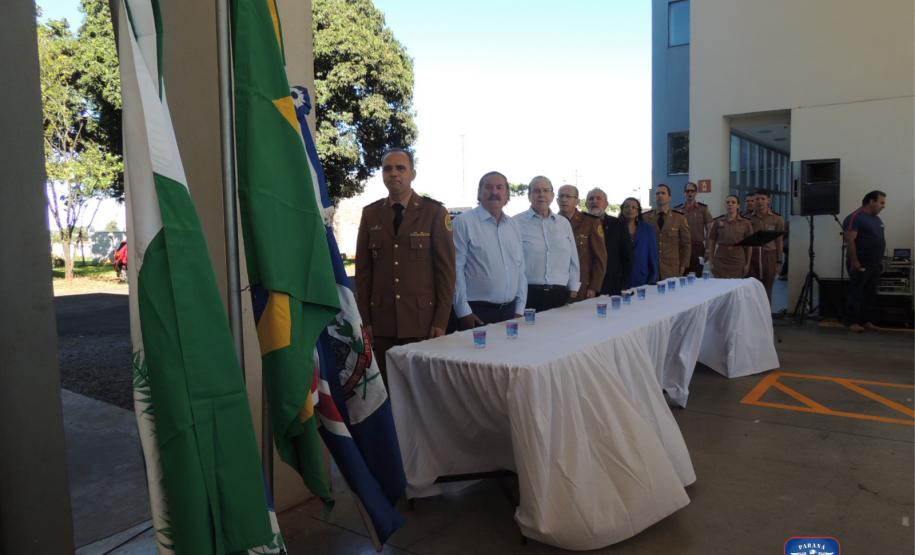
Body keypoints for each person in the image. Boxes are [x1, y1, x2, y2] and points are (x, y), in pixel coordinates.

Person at [355, 148, 456, 382]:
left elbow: (446, 273)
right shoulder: (371, 214)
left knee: (422, 389)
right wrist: (365, 320)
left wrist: (440, 321)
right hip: (382, 324)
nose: (394, 173)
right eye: (387, 169)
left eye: (400, 168)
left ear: (412, 174)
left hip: (422, 323)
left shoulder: (434, 212)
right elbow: (363, 273)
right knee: (387, 388)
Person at [451, 171, 527, 330]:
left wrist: (519, 309)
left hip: (510, 312)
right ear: (479, 192)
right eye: (488, 187)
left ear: (507, 194)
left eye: (499, 187)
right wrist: (463, 311)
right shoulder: (463, 222)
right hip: (476, 312)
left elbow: (520, 269)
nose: (494, 192)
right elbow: (456, 268)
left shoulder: (513, 225)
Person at [516, 176, 579, 311]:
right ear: (529, 196)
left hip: (560, 293)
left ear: (552, 195)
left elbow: (573, 258)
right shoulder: (515, 223)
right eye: (536, 191)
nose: (541, 195)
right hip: (527, 293)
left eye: (546, 190)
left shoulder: (563, 223)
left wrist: (574, 286)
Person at [842, 190, 887, 332]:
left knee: (869, 293)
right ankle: (852, 322)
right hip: (860, 262)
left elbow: (879, 241)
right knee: (857, 292)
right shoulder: (855, 217)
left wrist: (881, 260)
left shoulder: (877, 219)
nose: (883, 206)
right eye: (881, 202)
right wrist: (855, 261)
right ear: (871, 201)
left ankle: (865, 321)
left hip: (875, 264)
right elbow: (850, 241)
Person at [557, 185, 607, 300]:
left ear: (577, 201)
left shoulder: (590, 222)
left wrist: (594, 287)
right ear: (556, 200)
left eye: (568, 196)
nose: (564, 200)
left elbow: (600, 258)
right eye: (561, 196)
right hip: (557, 285)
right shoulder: (551, 222)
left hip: (582, 286)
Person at [586, 187, 633, 295]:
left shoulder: (618, 225)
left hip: (611, 284)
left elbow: (627, 256)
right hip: (585, 284)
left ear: (606, 204)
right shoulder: (579, 225)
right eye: (591, 199)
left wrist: (624, 283)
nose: (594, 201)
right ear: (586, 204)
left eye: (598, 198)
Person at [642, 184, 691, 280]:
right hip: (650, 267)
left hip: (671, 267)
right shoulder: (645, 218)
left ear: (669, 197)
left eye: (663, 193)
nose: (660, 195)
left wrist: (684, 264)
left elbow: (686, 243)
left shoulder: (679, 218)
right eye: (657, 193)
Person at [747, 189, 785, 302]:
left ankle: (766, 312)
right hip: (752, 256)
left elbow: (779, 241)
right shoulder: (746, 218)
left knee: (767, 287)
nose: (760, 201)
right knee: (751, 288)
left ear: (769, 200)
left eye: (763, 199)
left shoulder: (777, 219)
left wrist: (779, 261)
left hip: (769, 256)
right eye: (757, 199)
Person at [707, 195, 753, 278]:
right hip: (721, 259)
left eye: (733, 202)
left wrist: (748, 263)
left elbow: (750, 245)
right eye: (727, 202)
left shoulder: (746, 223)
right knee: (720, 284)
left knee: (736, 284)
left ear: (738, 206)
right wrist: (711, 261)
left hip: (737, 260)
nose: (730, 204)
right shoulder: (718, 221)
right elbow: (712, 241)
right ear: (725, 205)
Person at [620, 197, 659, 288]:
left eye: (634, 207)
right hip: (620, 278)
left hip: (642, 278)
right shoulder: (615, 228)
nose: (630, 209)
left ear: (638, 212)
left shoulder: (648, 229)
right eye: (627, 207)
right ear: (622, 210)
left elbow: (653, 256)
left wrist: (653, 279)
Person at [674, 182, 713, 276]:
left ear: (696, 193)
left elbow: (710, 230)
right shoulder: (678, 210)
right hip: (682, 248)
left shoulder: (703, 209)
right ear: (684, 193)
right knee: (681, 275)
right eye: (687, 191)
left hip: (698, 248)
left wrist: (708, 249)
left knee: (697, 275)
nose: (690, 193)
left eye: (692, 191)